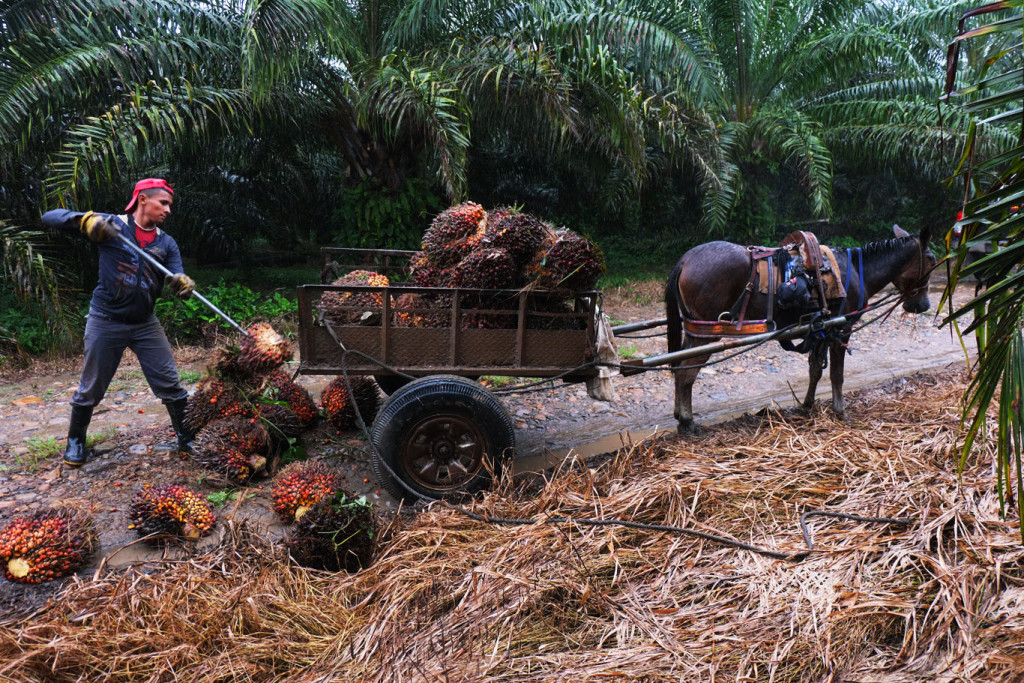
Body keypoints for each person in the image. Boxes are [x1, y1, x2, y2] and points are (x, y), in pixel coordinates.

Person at [41, 178, 197, 467]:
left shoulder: (166, 243)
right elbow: (49, 217)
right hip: (105, 320)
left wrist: (183, 284)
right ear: (142, 200)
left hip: (145, 323)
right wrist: (86, 221)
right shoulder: (112, 226)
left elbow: (178, 277)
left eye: (169, 205)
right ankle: (75, 442)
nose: (168, 210)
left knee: (171, 384)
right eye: (163, 203)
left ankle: (186, 437)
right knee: (91, 387)